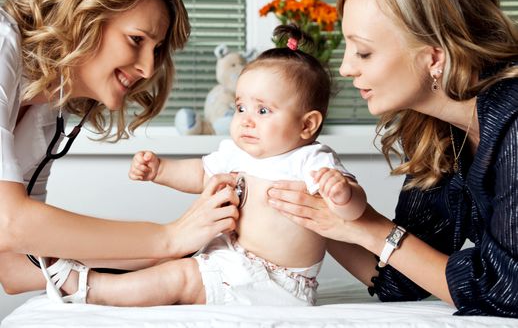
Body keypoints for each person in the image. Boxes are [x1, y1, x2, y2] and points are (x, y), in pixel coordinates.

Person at [57, 25, 367, 306]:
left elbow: (351, 215)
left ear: (307, 125)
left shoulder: (311, 160)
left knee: (182, 277)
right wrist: (161, 170)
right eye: (241, 107)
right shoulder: (237, 152)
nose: (245, 119)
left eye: (262, 110)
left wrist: (342, 194)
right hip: (229, 260)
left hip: (275, 284)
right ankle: (92, 269)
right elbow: (200, 174)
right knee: (169, 262)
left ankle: (94, 289)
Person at [266, 0, 518, 318]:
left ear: (434, 56)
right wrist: (310, 210)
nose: (345, 68)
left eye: (364, 51)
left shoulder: (513, 119)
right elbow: (402, 278)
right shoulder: (439, 131)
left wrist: (366, 226)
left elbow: (504, 289)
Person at [0, 0, 239, 298]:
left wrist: (184, 255)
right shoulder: (3, 41)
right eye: (136, 39)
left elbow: (16, 263)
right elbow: (10, 222)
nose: (148, 67)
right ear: (84, 16)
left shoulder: (49, 110)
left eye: (155, 50)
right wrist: (168, 238)